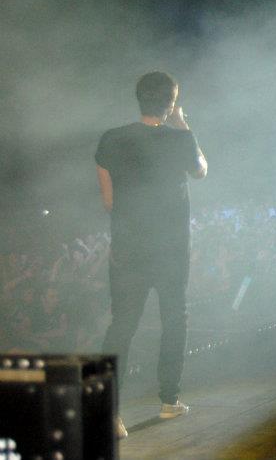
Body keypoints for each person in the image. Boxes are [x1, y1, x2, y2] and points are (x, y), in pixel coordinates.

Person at [95, 71, 207, 438]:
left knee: (121, 325)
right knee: (174, 318)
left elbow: (109, 202)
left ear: (138, 97)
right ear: (170, 102)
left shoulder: (111, 139)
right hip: (171, 249)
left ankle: (111, 415)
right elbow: (201, 171)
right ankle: (169, 401)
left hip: (128, 247)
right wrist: (181, 121)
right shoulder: (181, 138)